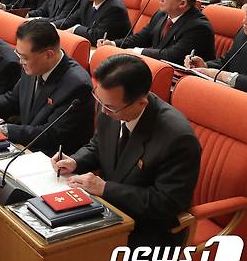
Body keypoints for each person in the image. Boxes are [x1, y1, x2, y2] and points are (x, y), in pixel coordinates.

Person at [53, 54, 201, 249]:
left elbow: (166, 203)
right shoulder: (110, 105)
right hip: (107, 208)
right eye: (100, 101)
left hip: (147, 228)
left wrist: (105, 188)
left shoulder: (177, 138)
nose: (103, 111)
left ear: (142, 103)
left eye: (110, 107)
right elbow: (98, 146)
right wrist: (75, 161)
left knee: (68, 248)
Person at [0, 20, 94, 156]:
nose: (20, 62)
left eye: (24, 57)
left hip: (51, 157)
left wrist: (3, 130)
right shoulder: (33, 65)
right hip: (23, 145)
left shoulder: (77, 85)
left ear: (48, 55)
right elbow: (13, 99)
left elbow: (50, 134)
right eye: (19, 55)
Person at [98, 0, 215, 64]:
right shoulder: (161, 14)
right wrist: (113, 44)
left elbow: (172, 55)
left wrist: (136, 52)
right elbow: (141, 38)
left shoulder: (198, 27)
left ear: (182, 3)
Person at [185, 3, 247, 92]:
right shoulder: (243, 32)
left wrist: (222, 75)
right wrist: (206, 65)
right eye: (246, 15)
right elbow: (226, 61)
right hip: (227, 92)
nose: (244, 21)